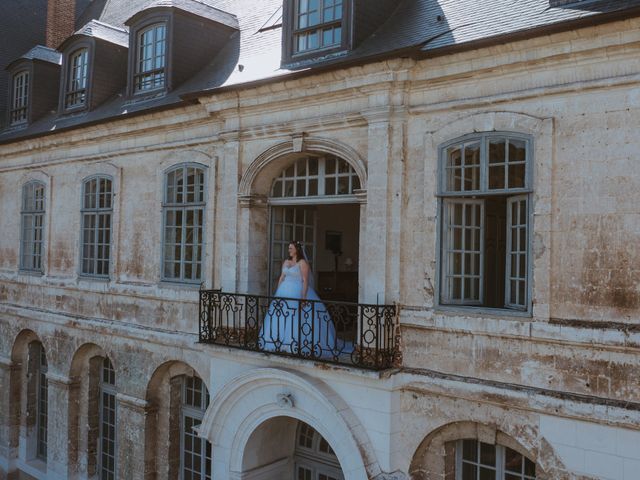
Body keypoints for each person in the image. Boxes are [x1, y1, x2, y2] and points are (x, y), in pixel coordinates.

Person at [259, 241, 337, 358]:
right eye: (289, 248)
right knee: (281, 316)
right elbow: (282, 277)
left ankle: (294, 344)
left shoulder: (302, 263)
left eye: (291, 248)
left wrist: (303, 298)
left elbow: (305, 280)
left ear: (297, 249)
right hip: (283, 292)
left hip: (297, 291)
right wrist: (277, 294)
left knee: (295, 317)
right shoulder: (286, 262)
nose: (289, 250)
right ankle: (277, 342)